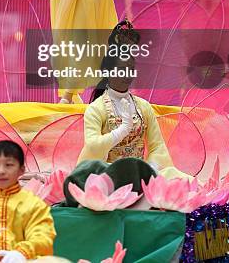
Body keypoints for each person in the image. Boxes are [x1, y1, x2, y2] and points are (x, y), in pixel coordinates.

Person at [76, 21, 183, 181]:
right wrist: (121, 131)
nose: (128, 75)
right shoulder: (96, 109)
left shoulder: (143, 107)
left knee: (176, 178)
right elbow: (92, 147)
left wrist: (151, 168)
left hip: (140, 175)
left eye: (131, 69)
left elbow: (157, 146)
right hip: (108, 176)